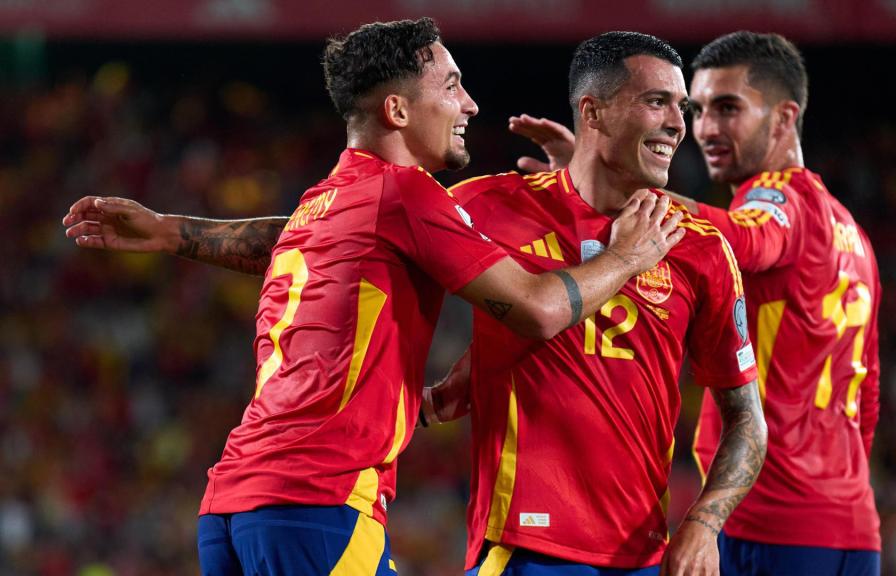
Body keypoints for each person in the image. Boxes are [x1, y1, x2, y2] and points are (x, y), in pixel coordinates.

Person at [65, 31, 767, 576]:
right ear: (593, 111)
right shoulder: (477, 203)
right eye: (660, 102)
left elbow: (744, 417)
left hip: (640, 548)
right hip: (505, 542)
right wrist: (626, 255)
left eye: (686, 106)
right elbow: (527, 303)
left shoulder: (702, 246)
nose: (681, 122)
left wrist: (703, 521)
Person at [507, 30, 882, 576]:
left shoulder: (778, 197)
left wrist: (610, 181)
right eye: (698, 108)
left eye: (727, 109)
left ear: (783, 119)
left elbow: (748, 240)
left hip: (770, 522)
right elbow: (867, 397)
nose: (704, 128)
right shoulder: (854, 234)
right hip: (852, 526)